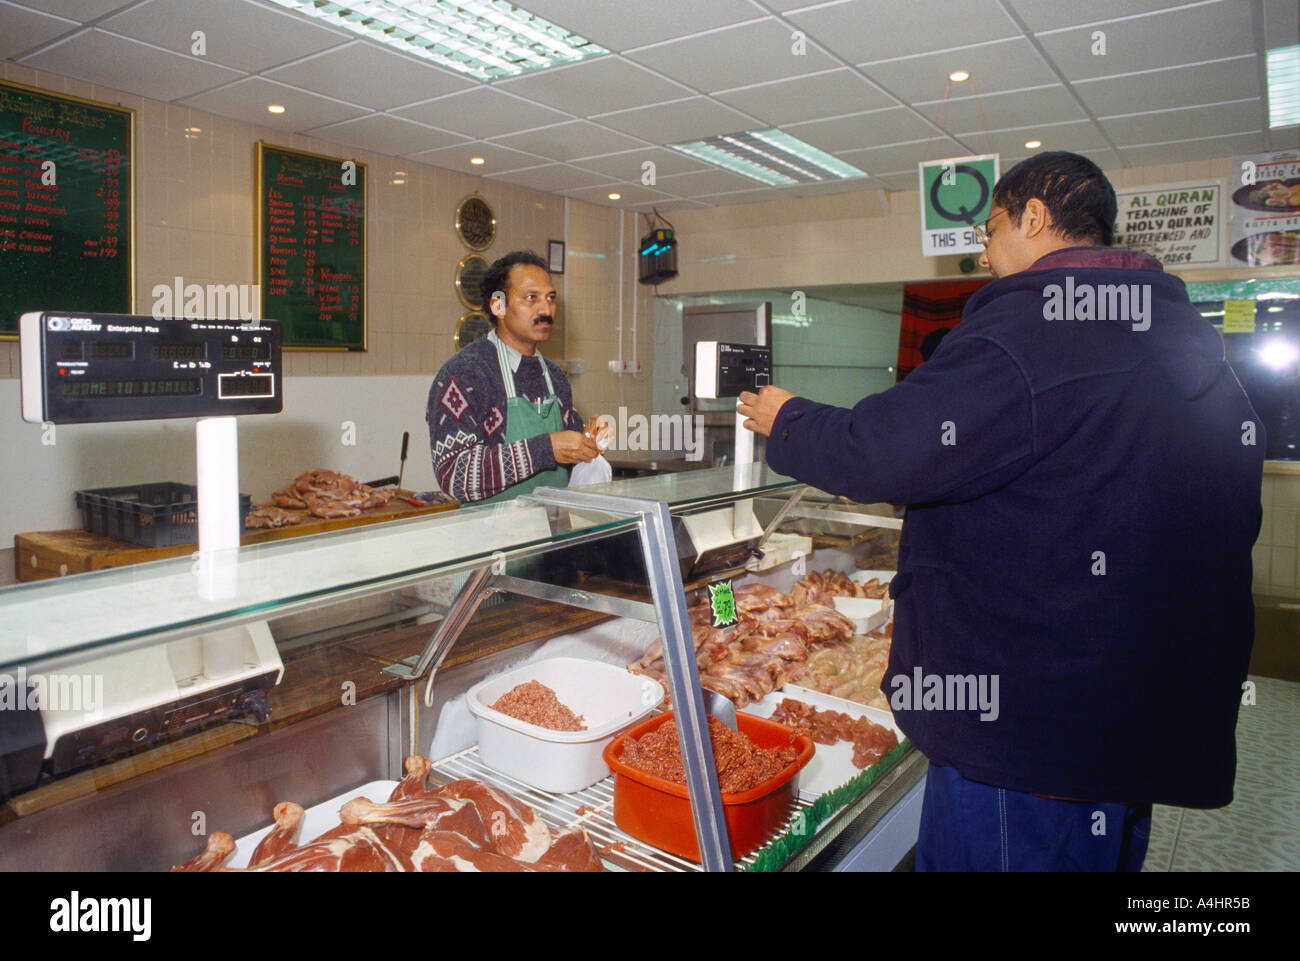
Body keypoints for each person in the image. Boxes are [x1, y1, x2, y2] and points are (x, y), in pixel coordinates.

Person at [738, 151, 1263, 871]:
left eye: (990, 230)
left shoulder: (1037, 327)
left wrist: (787, 418)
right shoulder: (1182, 343)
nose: (982, 255)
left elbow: (887, 449)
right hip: (1127, 724)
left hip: (1027, 738)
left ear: (1036, 218)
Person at [427, 250, 606, 503]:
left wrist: (588, 442)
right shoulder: (464, 374)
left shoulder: (554, 377)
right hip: (489, 537)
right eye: (531, 298)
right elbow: (456, 475)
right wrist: (548, 449)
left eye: (550, 298)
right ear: (498, 305)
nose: (546, 308)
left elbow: (571, 453)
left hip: (550, 532)